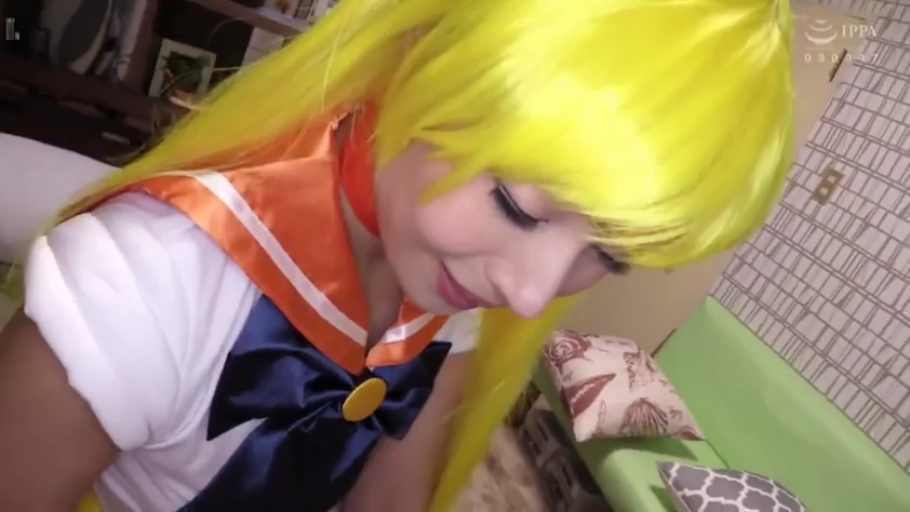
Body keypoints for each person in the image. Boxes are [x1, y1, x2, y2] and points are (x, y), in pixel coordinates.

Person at [0, 0, 794, 510]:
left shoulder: (449, 293)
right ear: (418, 54)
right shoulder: (146, 284)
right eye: (519, 205)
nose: (531, 295)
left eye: (611, 256)